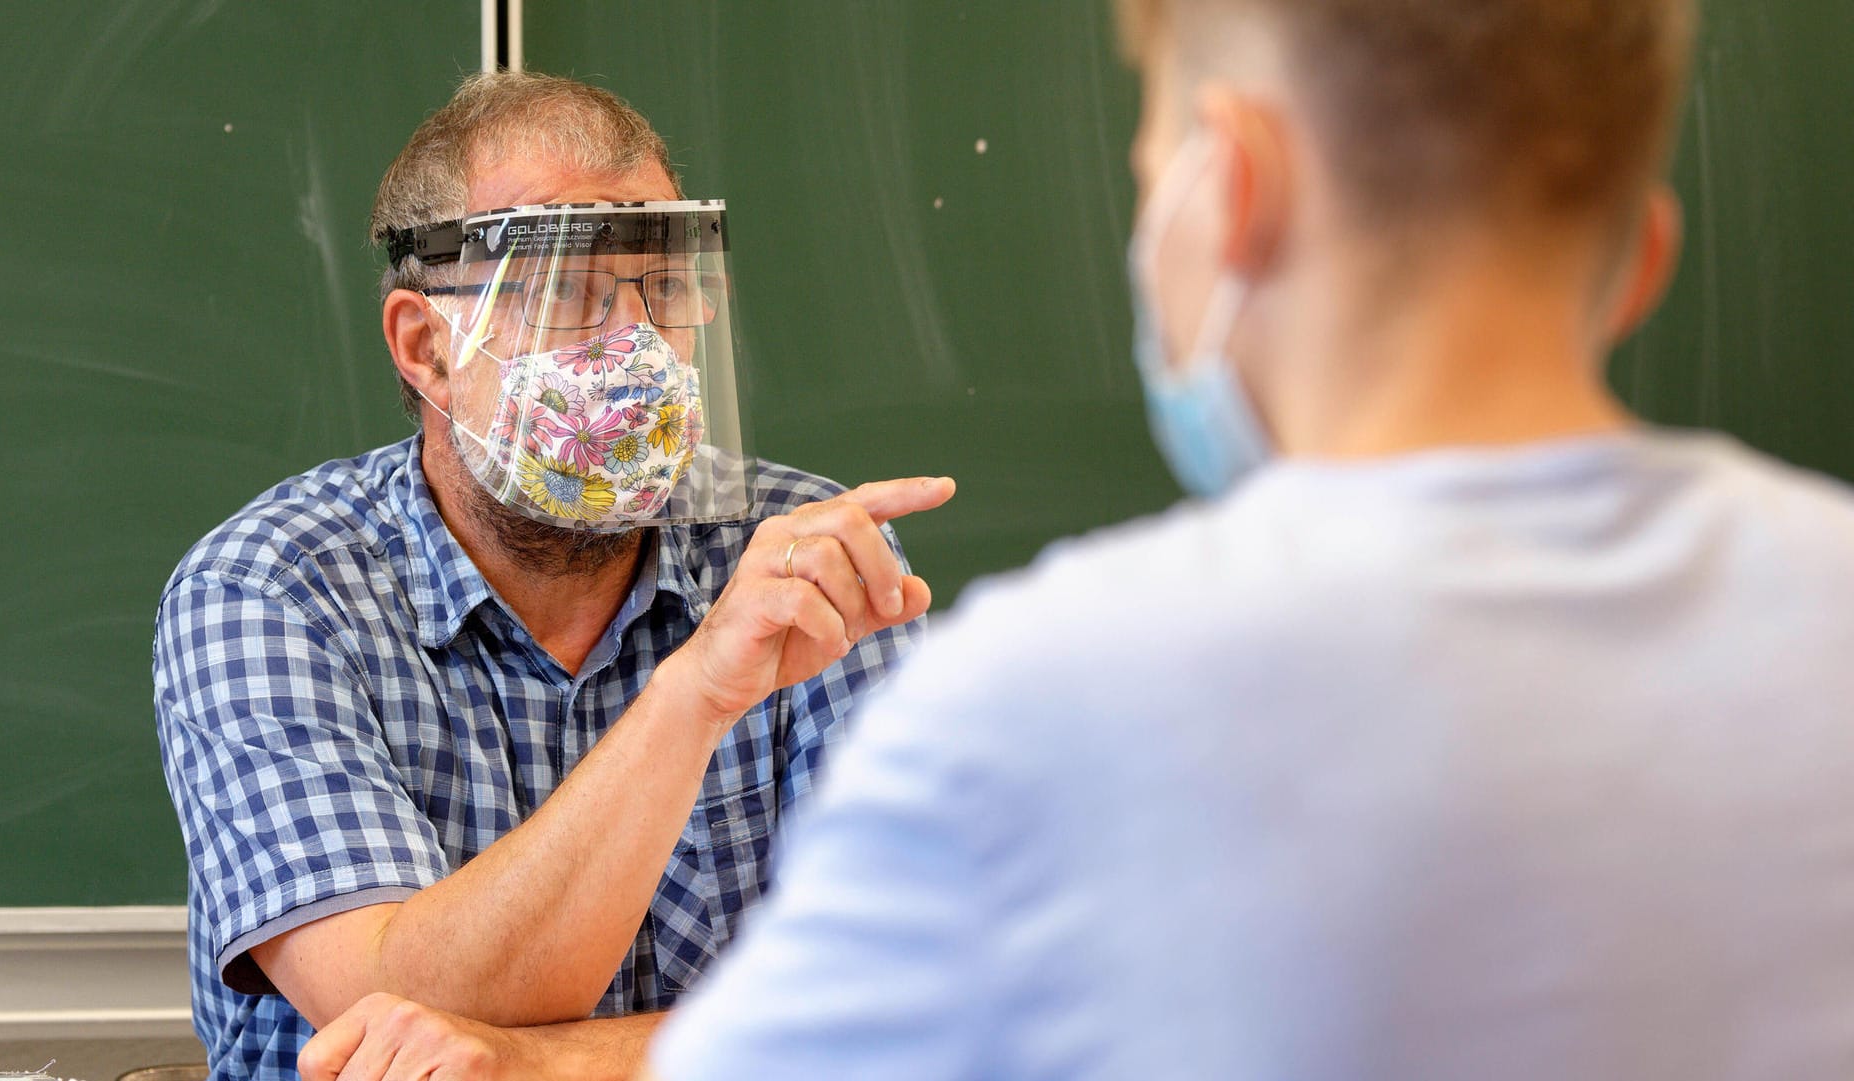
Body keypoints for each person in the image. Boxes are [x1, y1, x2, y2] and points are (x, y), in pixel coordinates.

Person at [299, 0, 1854, 1078]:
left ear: (1219, 195)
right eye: (581, 286)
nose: (635, 339)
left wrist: (512, 1057)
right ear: (1644, 255)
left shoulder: (1047, 694)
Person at [152, 71, 952, 1081]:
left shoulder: (798, 559)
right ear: (425, 346)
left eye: (661, 287)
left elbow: (901, 1004)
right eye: (565, 290)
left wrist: (535, 1065)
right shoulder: (270, 589)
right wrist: (698, 691)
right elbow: (388, 1015)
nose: (634, 346)